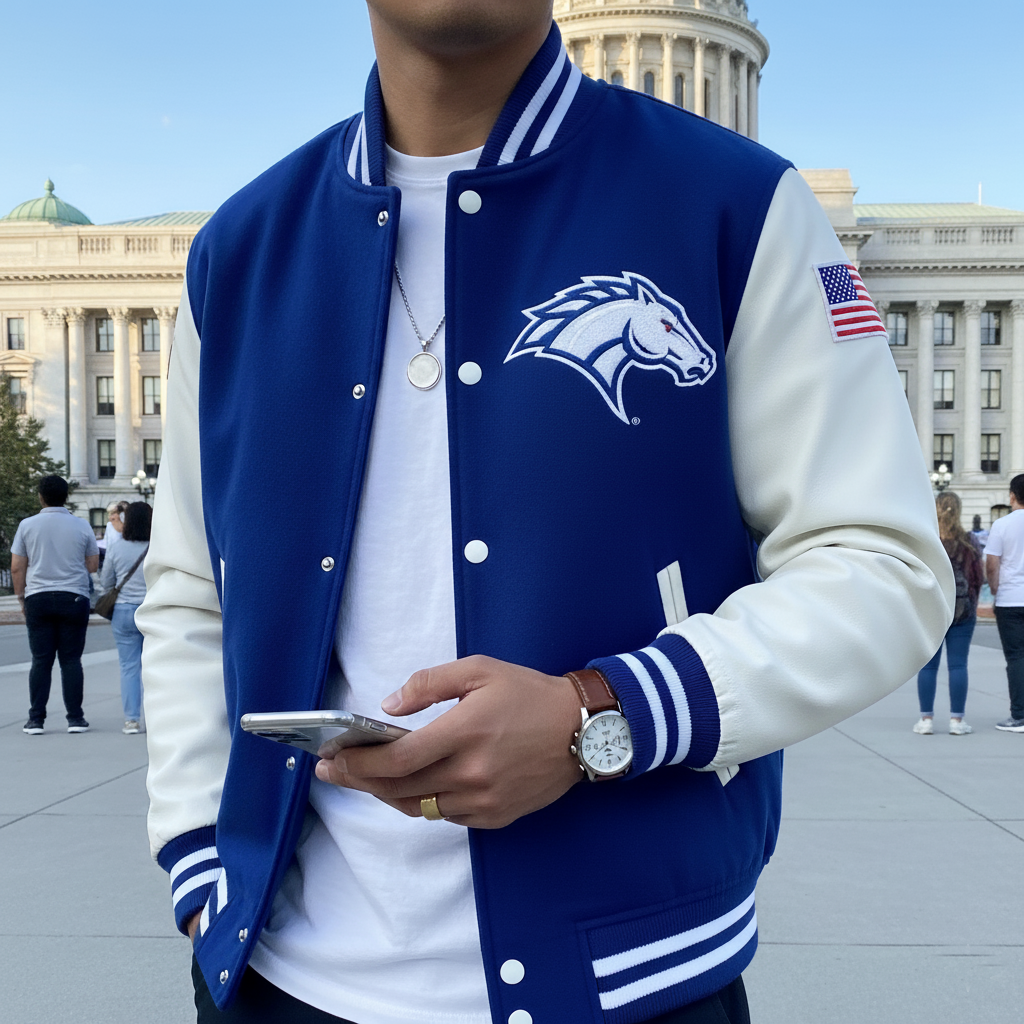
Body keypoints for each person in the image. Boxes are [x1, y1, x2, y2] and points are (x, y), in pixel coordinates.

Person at [136, 5, 953, 1023]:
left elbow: (882, 563)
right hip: (275, 980)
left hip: (635, 983)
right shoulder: (241, 250)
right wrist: (199, 867)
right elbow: (188, 592)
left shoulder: (736, 205)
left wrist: (596, 714)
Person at [10, 475, 98, 735]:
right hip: (74, 596)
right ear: (66, 496)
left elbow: (17, 567)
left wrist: (21, 597)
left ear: (40, 496)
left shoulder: (27, 525)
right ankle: (75, 718)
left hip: (38, 596)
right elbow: (93, 565)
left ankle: (36, 719)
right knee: (71, 660)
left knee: (41, 660)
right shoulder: (82, 526)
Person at [913, 493, 982, 735]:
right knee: (958, 665)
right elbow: (976, 577)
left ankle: (926, 720)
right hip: (962, 609)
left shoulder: (928, 540)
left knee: (928, 666)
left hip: (931, 609)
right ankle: (957, 721)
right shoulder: (969, 541)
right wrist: (972, 601)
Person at [99, 501, 152, 735]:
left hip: (122, 610)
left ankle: (132, 719)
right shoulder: (158, 547)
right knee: (156, 666)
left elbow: (106, 582)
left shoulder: (117, 547)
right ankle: (157, 718)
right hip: (152, 610)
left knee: (129, 666)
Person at [985, 475, 1024, 732]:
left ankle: (1019, 714)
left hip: (1011, 598)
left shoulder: (1002, 525)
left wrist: (995, 588)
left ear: (1012, 496)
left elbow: (991, 563)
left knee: (1016, 657)